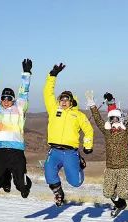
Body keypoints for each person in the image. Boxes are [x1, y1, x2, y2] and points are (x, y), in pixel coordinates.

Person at [43, 63, 94, 206]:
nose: (64, 101)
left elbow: (88, 129)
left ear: (71, 101)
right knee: (49, 173)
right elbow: (48, 93)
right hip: (54, 151)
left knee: (76, 182)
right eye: (62, 99)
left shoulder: (78, 115)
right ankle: (58, 193)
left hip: (70, 153)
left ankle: (79, 165)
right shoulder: (53, 110)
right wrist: (53, 75)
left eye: (67, 99)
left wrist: (88, 145)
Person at [86, 91, 128, 218]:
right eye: (111, 118)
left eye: (116, 118)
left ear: (120, 119)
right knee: (107, 193)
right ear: (109, 120)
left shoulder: (126, 132)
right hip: (110, 169)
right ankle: (120, 204)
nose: (114, 121)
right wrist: (92, 104)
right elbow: (98, 120)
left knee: (122, 192)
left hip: (124, 169)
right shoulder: (107, 132)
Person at [0, 58, 32, 198]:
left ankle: (25, 185)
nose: (6, 101)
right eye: (4, 98)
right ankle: (6, 176)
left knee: (21, 188)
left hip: (16, 151)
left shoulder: (19, 108)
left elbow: (24, 92)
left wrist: (26, 73)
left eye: (9, 98)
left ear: (13, 99)